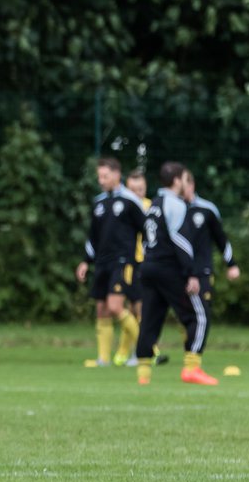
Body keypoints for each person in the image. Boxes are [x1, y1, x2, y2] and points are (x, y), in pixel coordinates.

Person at [134, 162, 216, 386]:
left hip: (149, 266)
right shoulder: (175, 204)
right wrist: (191, 273)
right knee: (199, 315)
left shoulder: (154, 204)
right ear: (178, 180)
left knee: (150, 319)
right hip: (168, 268)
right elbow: (180, 240)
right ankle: (192, 368)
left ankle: (143, 377)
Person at [74, 157, 143, 367]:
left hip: (123, 261)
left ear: (116, 175)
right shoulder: (99, 202)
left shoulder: (131, 201)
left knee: (116, 306)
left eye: (105, 176)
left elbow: (147, 230)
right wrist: (86, 261)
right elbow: (93, 237)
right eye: (99, 176)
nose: (101, 180)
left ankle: (146, 346)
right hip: (102, 263)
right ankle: (103, 359)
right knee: (102, 309)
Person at [178, 169, 239, 381]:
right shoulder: (172, 209)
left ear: (191, 185)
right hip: (177, 274)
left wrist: (231, 264)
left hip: (202, 273)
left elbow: (222, 239)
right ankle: (190, 365)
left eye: (183, 183)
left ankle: (192, 364)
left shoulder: (206, 209)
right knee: (188, 318)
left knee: (201, 316)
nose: (179, 187)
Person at [127, 168, 169, 365]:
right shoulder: (124, 206)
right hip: (129, 263)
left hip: (147, 262)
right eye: (132, 189)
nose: (137, 193)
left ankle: (148, 350)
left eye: (140, 189)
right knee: (131, 309)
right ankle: (132, 352)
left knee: (143, 308)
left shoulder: (151, 208)